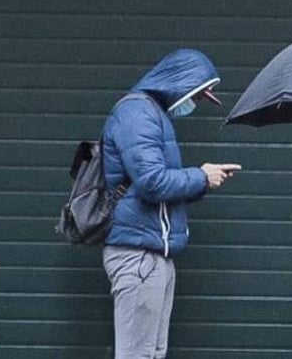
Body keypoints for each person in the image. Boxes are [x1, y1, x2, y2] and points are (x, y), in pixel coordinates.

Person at [101, 48, 242, 359]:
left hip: (153, 253)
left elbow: (160, 185)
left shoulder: (153, 115)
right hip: (138, 255)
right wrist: (201, 177)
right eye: (198, 95)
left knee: (150, 354)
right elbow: (152, 183)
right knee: (137, 355)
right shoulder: (137, 114)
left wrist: (205, 179)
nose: (196, 103)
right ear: (180, 82)